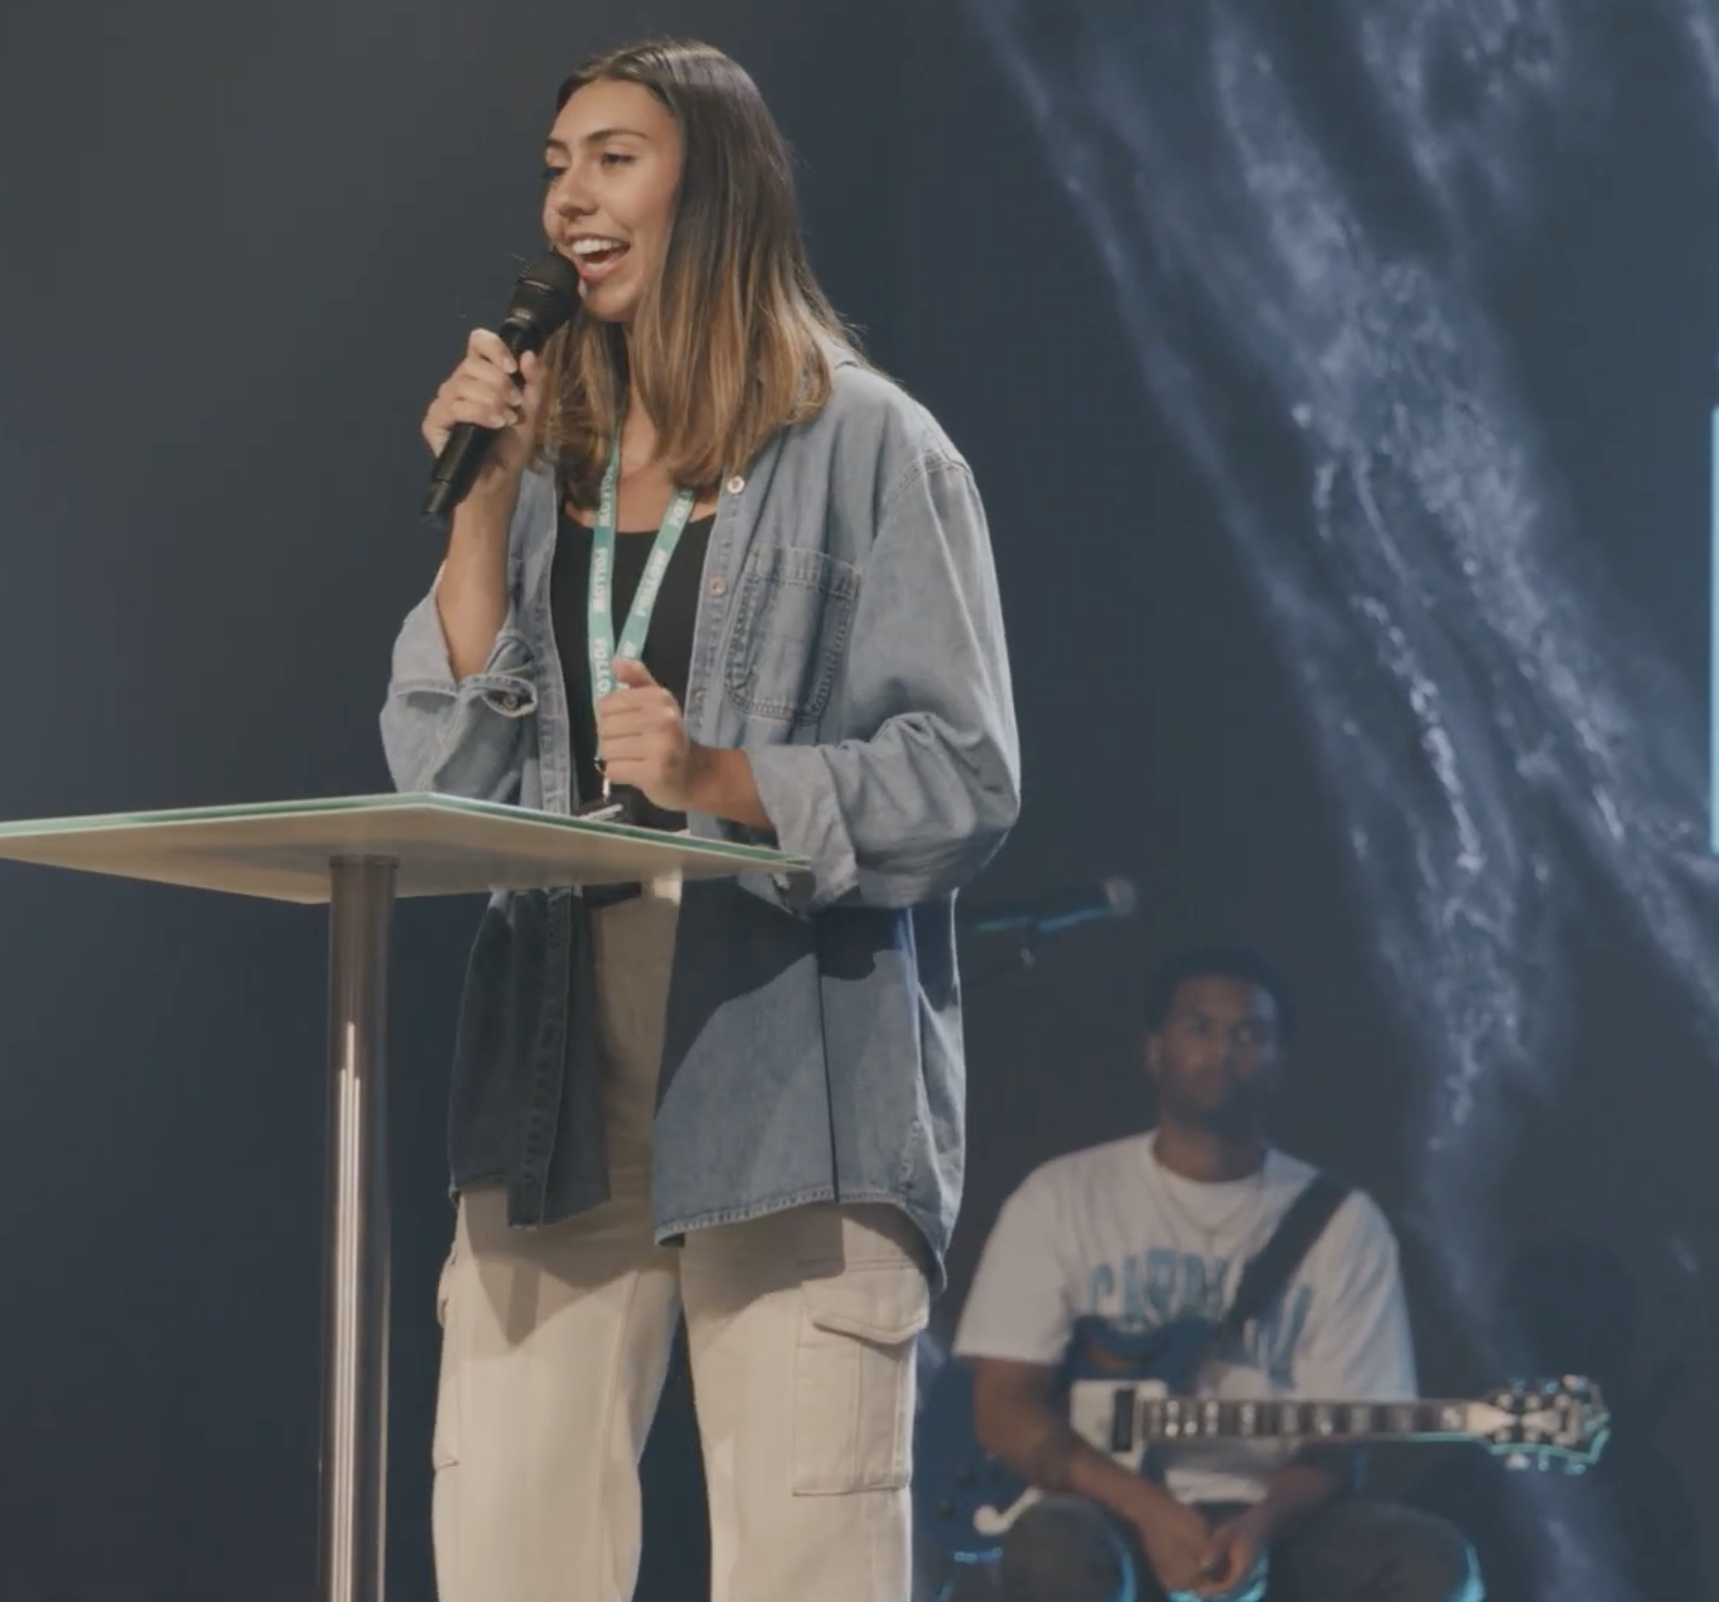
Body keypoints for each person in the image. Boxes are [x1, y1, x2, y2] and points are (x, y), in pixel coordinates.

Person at [380, 36, 1019, 1602]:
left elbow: (964, 777)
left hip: (791, 1081)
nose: (570, 200)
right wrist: (480, 507)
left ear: (715, 188)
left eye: (614, 159)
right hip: (555, 1080)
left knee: (806, 1561)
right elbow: (438, 781)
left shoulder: (869, 443)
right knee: (506, 1558)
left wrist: (724, 775)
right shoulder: (550, 466)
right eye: (556, 166)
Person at [951, 947, 1478, 1602]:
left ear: (1281, 1061)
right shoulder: (1061, 1197)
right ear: (1154, 1051)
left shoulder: (1345, 1224)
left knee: (1432, 1562)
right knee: (1051, 1545)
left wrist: (1258, 1528)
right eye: (1198, 1027)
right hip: (1104, 1509)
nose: (1223, 1050)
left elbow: (1339, 1450)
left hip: (1276, 1523)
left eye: (1250, 1034)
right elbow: (1002, 1407)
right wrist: (1149, 1509)